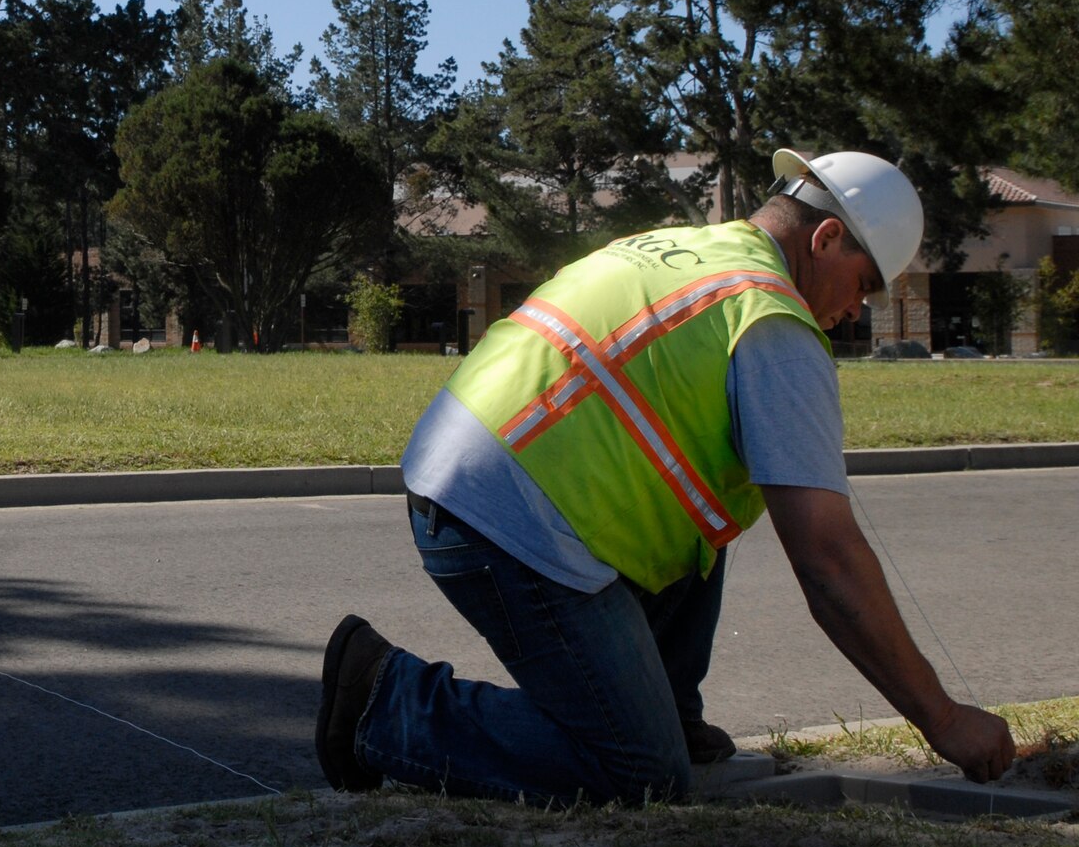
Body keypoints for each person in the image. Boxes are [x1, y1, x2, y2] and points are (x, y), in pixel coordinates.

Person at [315, 147, 1015, 806]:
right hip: (502, 509)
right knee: (638, 771)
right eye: (864, 284)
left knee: (701, 519)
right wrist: (943, 718)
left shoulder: (693, 250)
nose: (858, 309)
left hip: (471, 463)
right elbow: (828, 561)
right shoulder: (770, 319)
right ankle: (385, 700)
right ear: (826, 238)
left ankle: (667, 713)